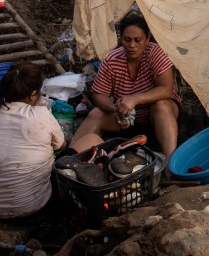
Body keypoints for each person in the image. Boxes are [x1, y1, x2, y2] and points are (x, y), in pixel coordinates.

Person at [0, 62, 101, 219]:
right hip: (36, 209)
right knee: (92, 140)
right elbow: (61, 145)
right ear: (32, 95)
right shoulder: (39, 114)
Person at [72, 15, 181, 159]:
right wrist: (116, 110)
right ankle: (69, 158)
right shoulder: (112, 60)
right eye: (127, 40)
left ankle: (171, 163)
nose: (132, 45)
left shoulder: (156, 53)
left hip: (158, 118)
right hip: (128, 121)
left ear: (147, 39)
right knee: (96, 114)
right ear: (121, 39)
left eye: (137, 40)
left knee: (161, 105)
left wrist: (135, 99)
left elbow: (166, 89)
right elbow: (99, 94)